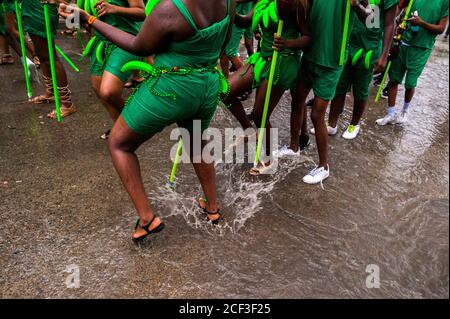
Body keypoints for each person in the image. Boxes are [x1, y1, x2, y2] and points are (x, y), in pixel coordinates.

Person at [59, 0, 234, 242]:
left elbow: (138, 45)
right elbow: (224, 41)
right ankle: (212, 208)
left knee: (119, 144)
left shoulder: (169, 8)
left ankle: (147, 219)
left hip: (172, 87)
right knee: (195, 141)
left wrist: (90, 20)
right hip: (207, 86)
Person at [223, 0, 312, 175]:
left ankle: (269, 159)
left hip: (282, 61)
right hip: (262, 58)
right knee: (225, 92)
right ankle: (249, 131)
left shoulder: (296, 4)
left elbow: (307, 38)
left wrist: (288, 43)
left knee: (260, 114)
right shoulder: (262, 1)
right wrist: (228, 8)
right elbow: (246, 21)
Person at [292, 0, 370, 184]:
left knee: (317, 115)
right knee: (297, 98)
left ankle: (323, 166)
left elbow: (370, 18)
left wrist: (357, 6)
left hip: (333, 61)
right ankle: (294, 146)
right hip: (311, 53)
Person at [325, 0, 399, 140]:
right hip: (348, 42)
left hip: (369, 49)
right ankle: (331, 123)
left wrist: (384, 56)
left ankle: (354, 124)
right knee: (339, 86)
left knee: (360, 89)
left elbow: (389, 24)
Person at [376, 0, 449, 125]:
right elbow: (403, 14)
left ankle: (404, 111)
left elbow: (441, 29)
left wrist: (421, 23)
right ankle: (391, 113)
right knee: (393, 79)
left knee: (410, 83)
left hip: (422, 48)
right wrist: (398, 28)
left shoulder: (444, 2)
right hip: (403, 44)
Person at [84, 0, 145, 139]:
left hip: (123, 42)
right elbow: (81, 19)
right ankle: (121, 129)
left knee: (109, 92)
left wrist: (114, 9)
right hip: (100, 43)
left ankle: (134, 126)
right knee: (99, 90)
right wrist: (59, 4)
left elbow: (142, 12)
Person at [22, 0, 75, 118]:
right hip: (31, 8)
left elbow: (67, 2)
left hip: (40, 10)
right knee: (41, 55)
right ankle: (50, 92)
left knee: (50, 56)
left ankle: (67, 103)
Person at [220, 0, 254, 78]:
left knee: (231, 53)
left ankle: (246, 80)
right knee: (224, 50)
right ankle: (226, 79)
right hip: (246, 14)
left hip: (239, 18)